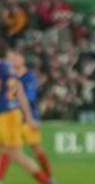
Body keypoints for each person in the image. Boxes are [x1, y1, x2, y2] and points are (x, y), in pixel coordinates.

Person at [0, 42, 52, 184]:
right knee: (9, 151)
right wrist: (28, 116)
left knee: (16, 153)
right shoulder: (10, 69)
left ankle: (48, 181)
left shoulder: (4, 68)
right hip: (14, 114)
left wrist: (29, 117)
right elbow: (20, 92)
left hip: (5, 114)